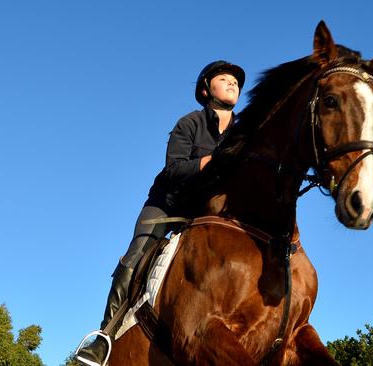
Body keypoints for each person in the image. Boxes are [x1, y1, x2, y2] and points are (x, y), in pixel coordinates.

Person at [75, 60, 245, 365]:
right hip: (167, 204)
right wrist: (213, 160)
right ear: (207, 89)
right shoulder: (189, 123)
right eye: (224, 78)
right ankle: (105, 337)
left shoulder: (244, 132)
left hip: (206, 212)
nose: (233, 83)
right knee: (137, 255)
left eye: (236, 81)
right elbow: (175, 168)